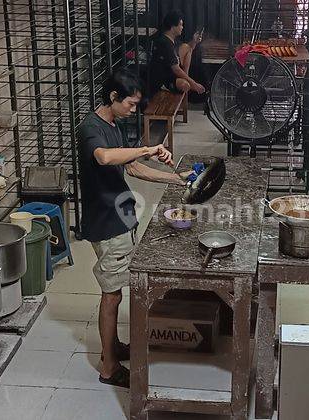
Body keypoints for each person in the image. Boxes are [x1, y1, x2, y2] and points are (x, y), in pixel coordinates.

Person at [77, 70, 192, 388]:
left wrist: (177, 178)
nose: (133, 110)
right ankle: (109, 366)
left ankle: (113, 348)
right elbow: (104, 158)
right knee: (111, 295)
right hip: (106, 222)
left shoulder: (113, 125)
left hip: (122, 217)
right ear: (113, 98)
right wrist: (147, 147)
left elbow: (132, 166)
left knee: (116, 289)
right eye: (129, 104)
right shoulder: (91, 129)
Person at [148, 10, 205, 96]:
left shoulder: (171, 40)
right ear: (173, 26)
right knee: (185, 85)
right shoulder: (165, 43)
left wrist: (194, 41)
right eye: (180, 25)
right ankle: (186, 83)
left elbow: (187, 50)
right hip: (162, 81)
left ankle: (187, 81)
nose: (182, 27)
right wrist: (194, 84)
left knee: (187, 47)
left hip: (171, 76)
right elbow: (176, 69)